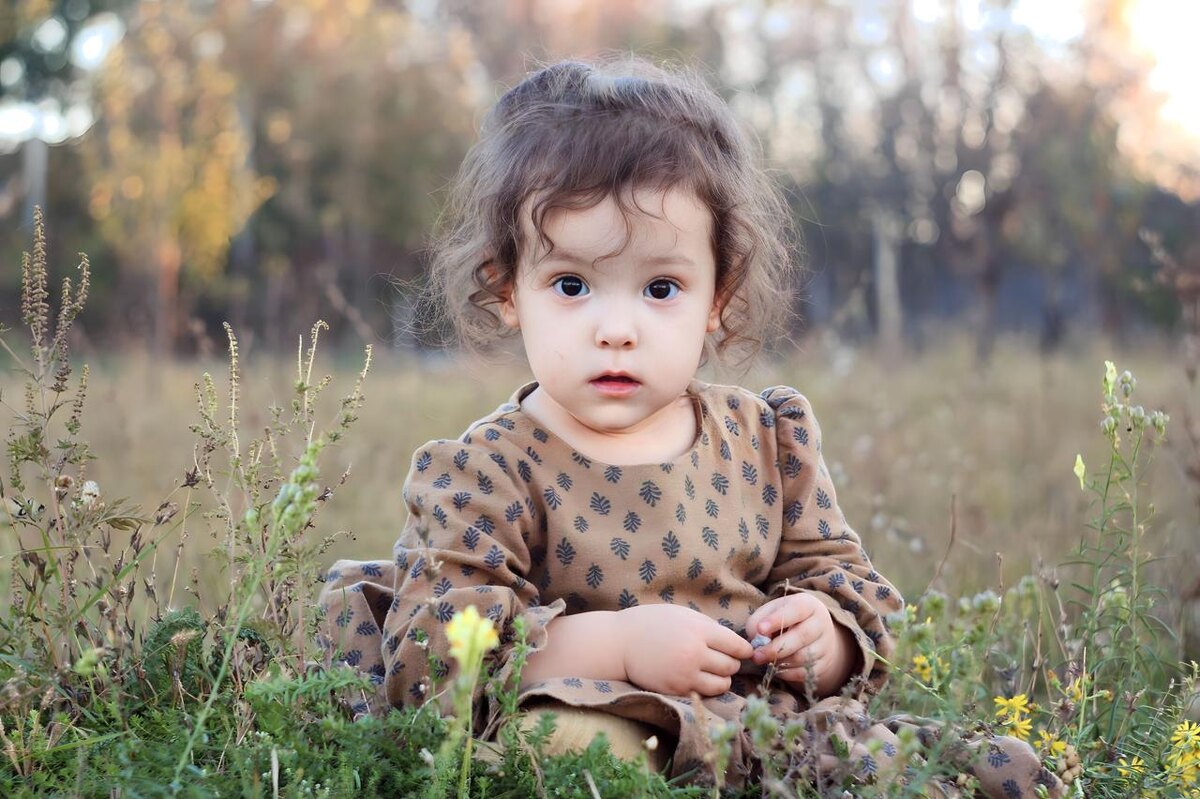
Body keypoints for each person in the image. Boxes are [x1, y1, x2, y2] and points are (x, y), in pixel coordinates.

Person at [318, 57, 1065, 797]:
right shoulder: (488, 469)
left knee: (999, 774)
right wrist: (618, 646)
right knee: (569, 749)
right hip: (615, 724)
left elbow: (853, 591)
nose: (617, 329)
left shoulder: (766, 439)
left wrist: (825, 638)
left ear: (718, 296)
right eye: (572, 285)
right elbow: (435, 657)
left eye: (661, 288)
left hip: (772, 737)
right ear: (508, 289)